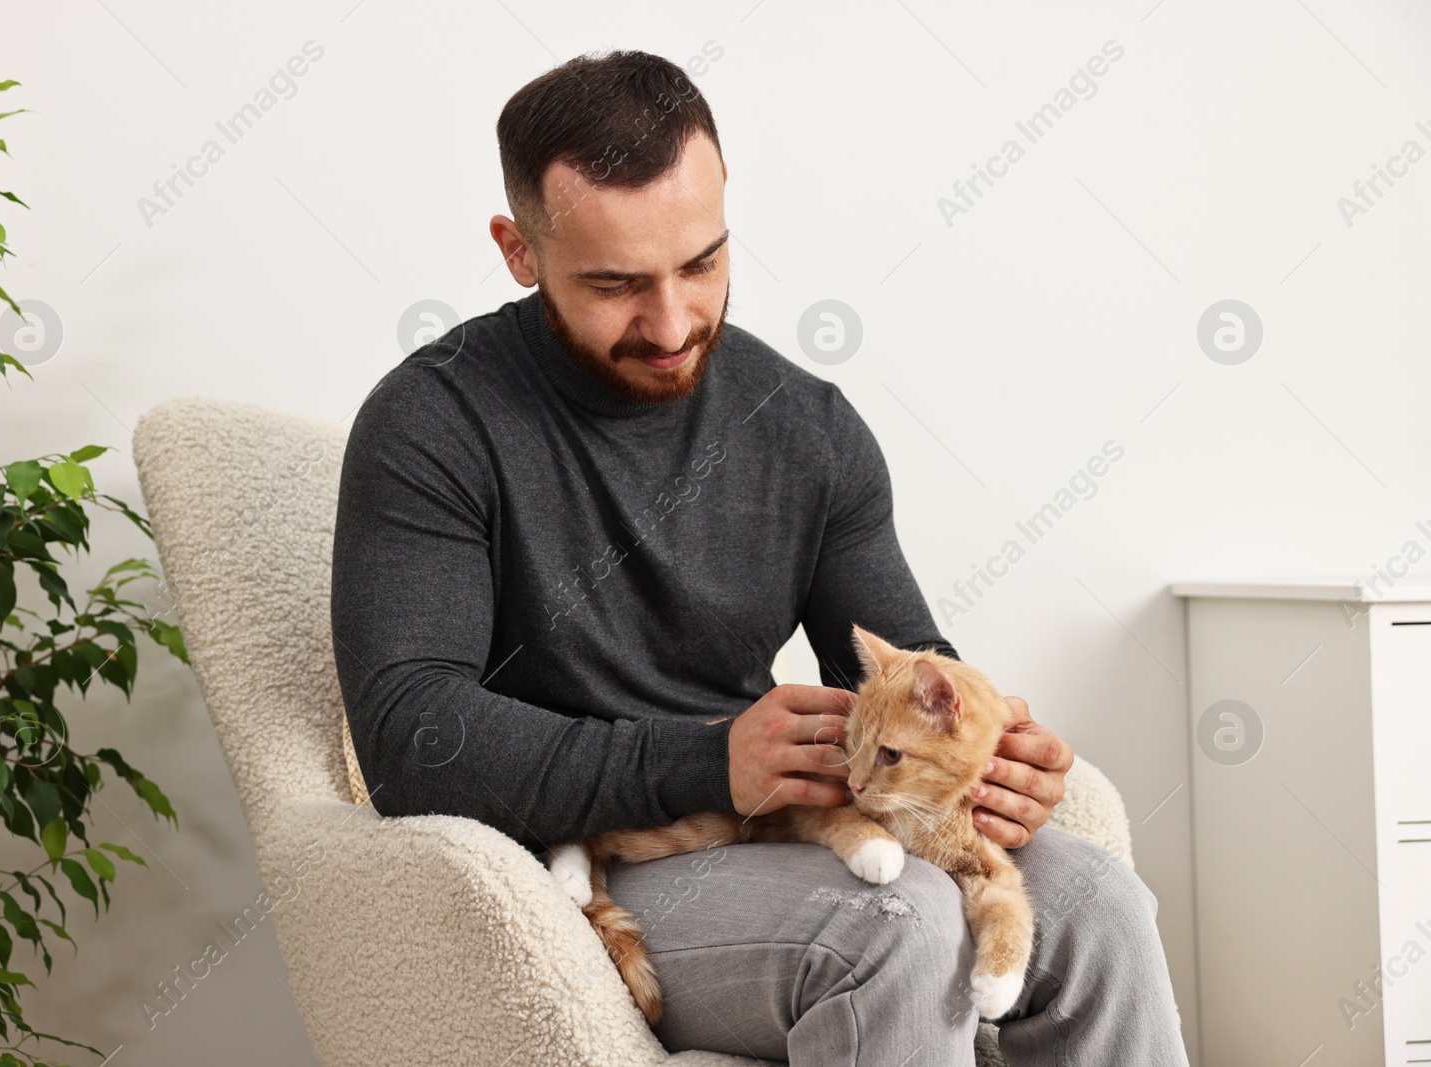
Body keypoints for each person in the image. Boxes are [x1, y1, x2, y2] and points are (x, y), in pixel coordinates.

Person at [331, 48, 1190, 1067]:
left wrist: (986, 752)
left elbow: (907, 660)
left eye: (700, 263)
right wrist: (707, 758)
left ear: (726, 204)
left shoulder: (808, 428)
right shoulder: (432, 422)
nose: (672, 321)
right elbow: (408, 734)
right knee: (896, 925)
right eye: (613, 284)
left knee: (1101, 903)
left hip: (776, 831)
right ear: (518, 251)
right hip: (593, 857)